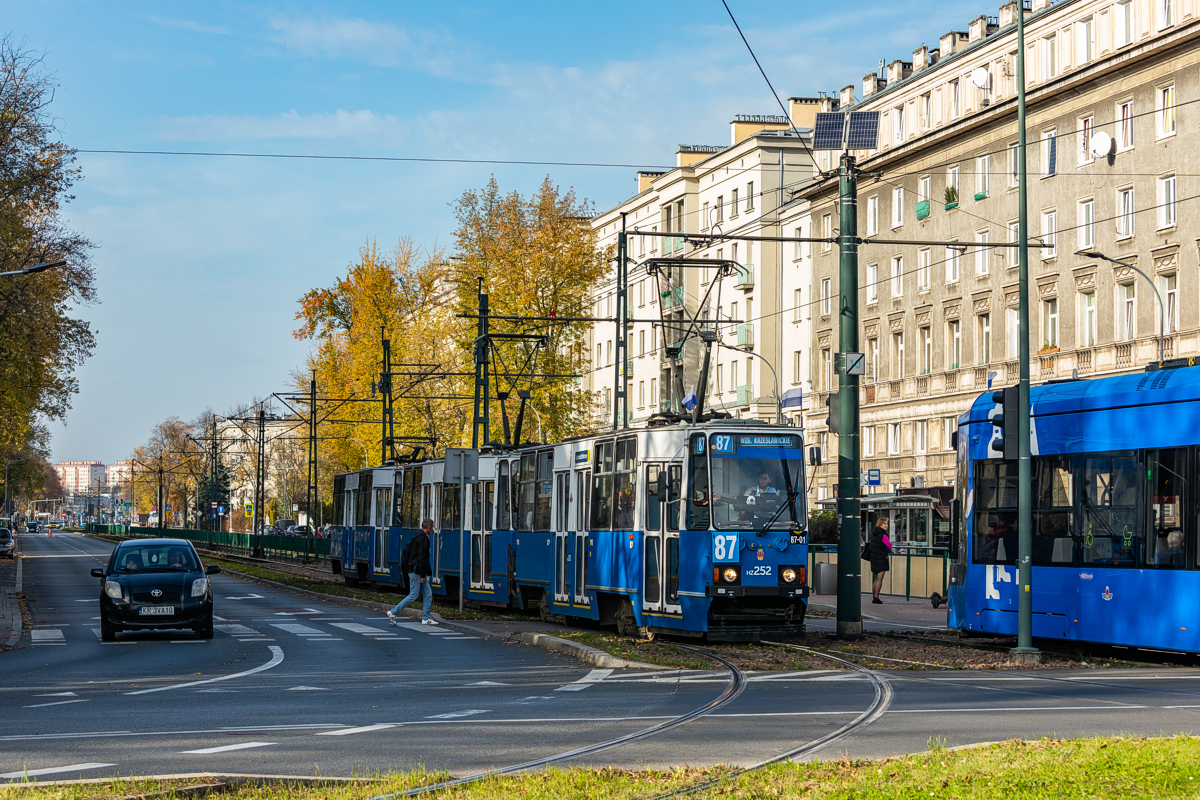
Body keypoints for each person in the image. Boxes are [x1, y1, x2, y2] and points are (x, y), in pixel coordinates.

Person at [387, 518, 437, 626]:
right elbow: (422, 558)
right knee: (414, 594)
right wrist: (423, 575)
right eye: (432, 528)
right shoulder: (423, 539)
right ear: (428, 527)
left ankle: (426, 618)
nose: (433, 530)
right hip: (416, 571)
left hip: (415, 569)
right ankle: (393, 612)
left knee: (428, 593)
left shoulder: (416, 536)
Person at [866, 517, 893, 604]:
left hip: (874, 558)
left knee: (876, 578)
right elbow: (889, 545)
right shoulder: (883, 535)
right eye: (884, 524)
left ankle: (874, 596)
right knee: (880, 579)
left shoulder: (874, 534)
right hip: (881, 558)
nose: (886, 525)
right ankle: (876, 597)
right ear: (880, 524)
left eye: (887, 523)